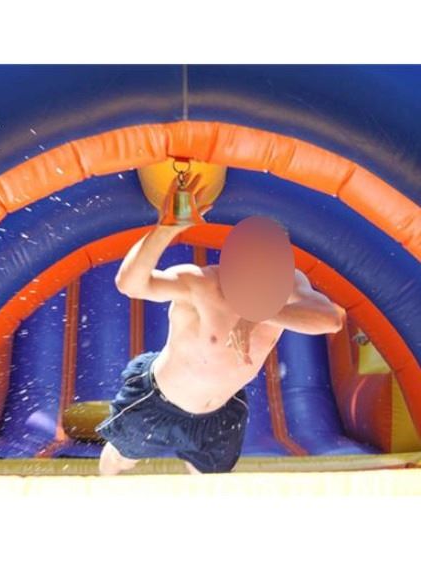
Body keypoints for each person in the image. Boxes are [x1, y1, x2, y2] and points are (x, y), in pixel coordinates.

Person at [96, 172, 346, 475]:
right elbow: (130, 285)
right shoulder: (200, 283)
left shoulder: (287, 286)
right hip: (158, 400)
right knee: (120, 459)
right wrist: (165, 230)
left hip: (221, 412)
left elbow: (332, 320)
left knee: (210, 480)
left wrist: (261, 313)